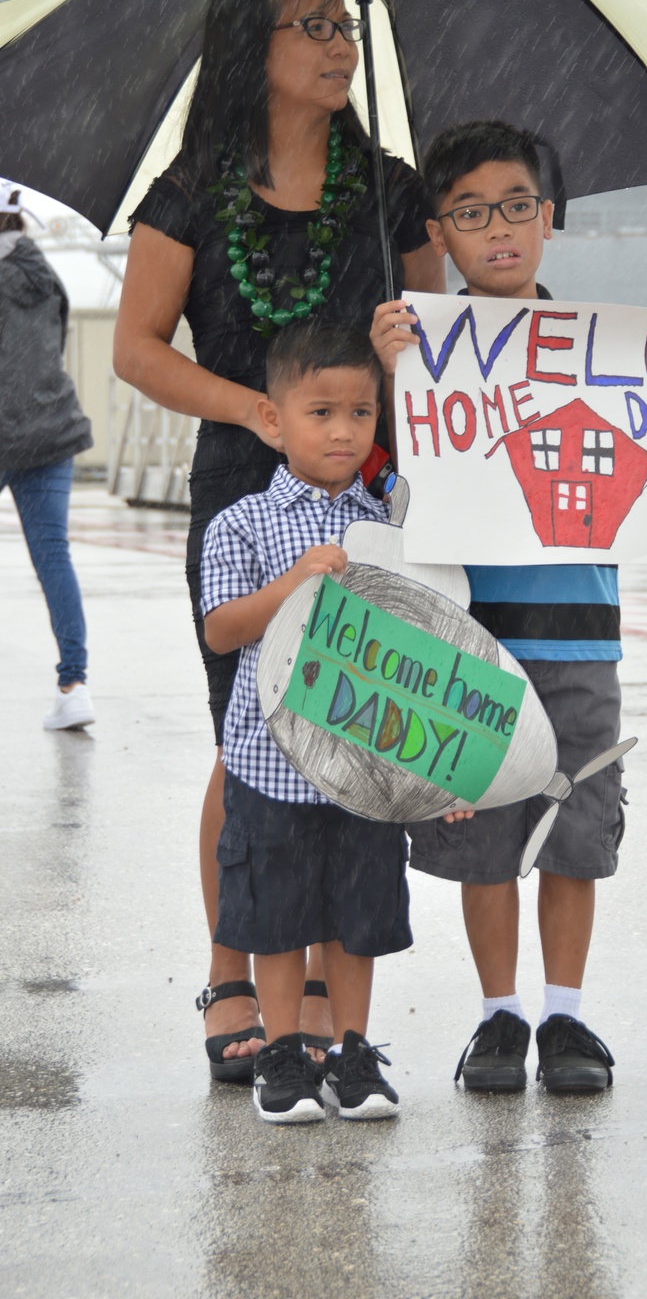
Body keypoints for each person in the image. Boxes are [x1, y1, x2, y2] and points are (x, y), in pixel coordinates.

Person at [370, 120, 647, 1094]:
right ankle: (498, 1016)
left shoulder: (609, 355)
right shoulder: (418, 350)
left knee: (573, 822)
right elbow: (377, 470)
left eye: (516, 206)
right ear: (438, 232)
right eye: (471, 212)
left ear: (550, 219)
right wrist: (387, 364)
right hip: (466, 633)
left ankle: (565, 1015)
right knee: (480, 827)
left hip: (581, 630)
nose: (498, 229)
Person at [114, 0, 443, 1080]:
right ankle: (230, 971)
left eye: (344, 23)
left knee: (343, 726)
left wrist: (411, 335)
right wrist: (253, 408)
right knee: (250, 739)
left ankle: (318, 991)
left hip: (365, 494)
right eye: (312, 26)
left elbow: (441, 348)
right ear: (252, 49)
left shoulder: (389, 188)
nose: (338, 43)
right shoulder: (192, 190)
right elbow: (136, 350)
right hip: (242, 493)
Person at [201, 320, 409, 1124]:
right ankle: (284, 1056)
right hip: (272, 762)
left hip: (362, 767)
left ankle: (352, 1053)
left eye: (360, 412)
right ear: (275, 419)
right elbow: (221, 630)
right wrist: (291, 586)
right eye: (320, 411)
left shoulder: (390, 526)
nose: (343, 430)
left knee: (356, 923)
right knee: (278, 919)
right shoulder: (241, 524)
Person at [0, 180, 95, 731]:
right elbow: (51, 347)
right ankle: (74, 685)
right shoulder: (43, 274)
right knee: (53, 557)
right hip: (52, 430)